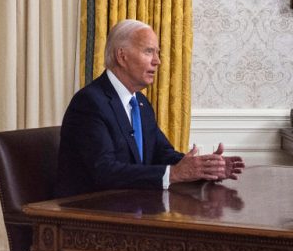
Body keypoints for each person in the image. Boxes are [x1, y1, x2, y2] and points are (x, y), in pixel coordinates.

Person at [55, 19, 244, 198]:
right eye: (149, 52)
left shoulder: (141, 103)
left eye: (157, 53)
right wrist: (174, 174)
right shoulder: (90, 103)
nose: (157, 61)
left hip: (130, 206)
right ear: (122, 56)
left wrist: (204, 168)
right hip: (87, 213)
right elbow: (104, 172)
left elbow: (161, 154)